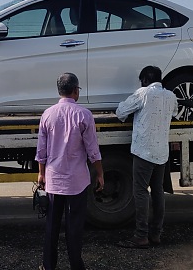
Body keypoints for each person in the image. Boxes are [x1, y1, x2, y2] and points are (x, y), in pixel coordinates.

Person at [36, 72, 104, 270]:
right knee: (74, 227)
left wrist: (41, 173)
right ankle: (76, 265)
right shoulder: (84, 115)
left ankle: (49, 265)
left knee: (52, 227)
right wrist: (100, 173)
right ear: (75, 91)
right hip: (77, 182)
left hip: (53, 180)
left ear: (59, 91)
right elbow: (93, 150)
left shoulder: (47, 114)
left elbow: (42, 150)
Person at [115, 65, 178, 249]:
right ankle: (156, 234)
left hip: (144, 151)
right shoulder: (171, 96)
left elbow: (121, 112)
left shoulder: (143, 93)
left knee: (141, 192)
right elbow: (175, 113)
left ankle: (141, 236)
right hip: (161, 153)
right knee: (158, 191)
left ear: (144, 80)